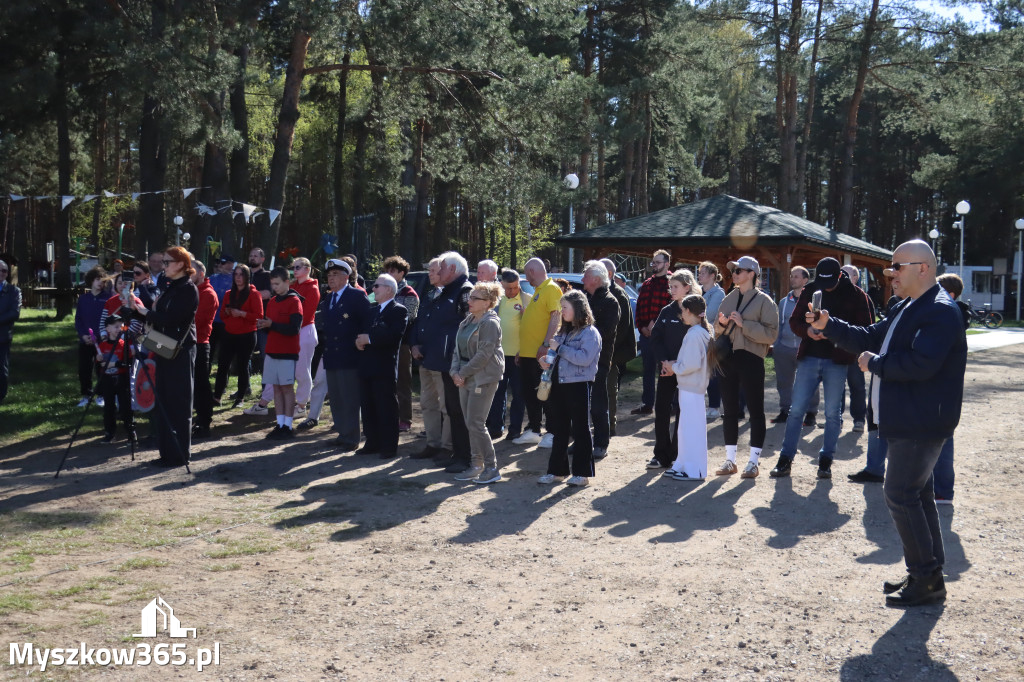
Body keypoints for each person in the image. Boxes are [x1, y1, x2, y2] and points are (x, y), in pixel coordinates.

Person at [808, 240, 967, 607]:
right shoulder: (907, 306)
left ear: (923, 269)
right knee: (917, 494)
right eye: (889, 267)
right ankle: (927, 574)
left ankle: (926, 578)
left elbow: (921, 365)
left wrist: (874, 364)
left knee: (900, 494)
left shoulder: (940, 311)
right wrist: (829, 325)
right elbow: (870, 337)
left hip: (922, 421)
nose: (889, 273)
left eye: (897, 266)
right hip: (908, 419)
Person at [770, 258, 872, 479]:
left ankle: (826, 461)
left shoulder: (856, 295)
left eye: (830, 282)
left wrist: (835, 333)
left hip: (838, 360)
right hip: (810, 357)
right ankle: (785, 459)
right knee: (796, 410)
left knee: (832, 413)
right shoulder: (810, 290)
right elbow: (794, 321)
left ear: (839, 276)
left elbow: (865, 329)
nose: (825, 287)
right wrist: (807, 331)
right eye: (821, 281)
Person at [128, 247, 199, 467]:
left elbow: (172, 319)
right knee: (164, 401)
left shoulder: (188, 289)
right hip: (163, 346)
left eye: (167, 262)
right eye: (163, 262)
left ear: (180, 264)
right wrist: (136, 309)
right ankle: (166, 453)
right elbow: (159, 317)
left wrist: (145, 312)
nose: (163, 265)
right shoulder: (169, 287)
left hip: (181, 350)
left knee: (179, 402)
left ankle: (179, 455)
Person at [712, 256, 779, 479]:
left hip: (751, 358)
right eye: (734, 270)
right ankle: (730, 460)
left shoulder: (765, 301)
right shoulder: (729, 297)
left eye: (739, 270)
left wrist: (744, 324)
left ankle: (753, 462)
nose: (735, 274)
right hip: (728, 358)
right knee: (729, 410)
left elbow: (771, 334)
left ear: (752, 274)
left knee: (755, 411)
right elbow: (717, 328)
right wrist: (721, 325)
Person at [538, 289, 601, 487]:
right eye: (562, 307)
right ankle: (556, 471)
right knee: (559, 429)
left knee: (581, 429)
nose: (562, 311)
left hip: (578, 385)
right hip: (559, 384)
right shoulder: (563, 332)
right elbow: (555, 354)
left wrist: (560, 349)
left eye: (565, 307)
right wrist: (545, 361)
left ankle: (582, 474)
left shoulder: (590, 333)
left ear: (578, 308)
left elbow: (584, 359)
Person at [420, 252, 475, 473]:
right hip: (446, 362)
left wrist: (462, 362)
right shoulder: (447, 291)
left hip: (459, 363)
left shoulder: (465, 291)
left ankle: (466, 457)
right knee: (453, 410)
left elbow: (470, 328)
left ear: (452, 270)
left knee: (461, 411)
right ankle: (457, 454)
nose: (438, 272)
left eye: (441, 268)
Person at [450, 281, 504, 483]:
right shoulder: (468, 320)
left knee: (476, 423)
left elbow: (484, 355)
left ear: (488, 303)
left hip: (483, 377)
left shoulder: (490, 323)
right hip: (465, 376)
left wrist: (461, 373)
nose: (469, 301)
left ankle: (491, 468)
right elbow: (457, 349)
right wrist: (454, 371)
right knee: (470, 423)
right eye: (470, 297)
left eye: (475, 298)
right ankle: (476, 465)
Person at [648, 269, 701, 469]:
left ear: (687, 287)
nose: (671, 290)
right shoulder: (667, 310)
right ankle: (660, 454)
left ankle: (678, 454)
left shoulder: (695, 311)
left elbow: (698, 342)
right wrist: (665, 362)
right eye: (670, 286)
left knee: (683, 411)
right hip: (666, 369)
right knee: (661, 409)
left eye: (675, 287)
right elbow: (656, 338)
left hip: (686, 371)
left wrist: (678, 366)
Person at [661, 295, 716, 481]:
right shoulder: (697, 331)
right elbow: (691, 361)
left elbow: (690, 365)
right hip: (690, 387)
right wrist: (677, 364)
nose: (681, 314)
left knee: (691, 431)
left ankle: (694, 470)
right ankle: (682, 464)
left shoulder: (694, 334)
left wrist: (673, 367)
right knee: (684, 430)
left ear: (690, 312)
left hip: (692, 388)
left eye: (683, 310)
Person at [354, 274, 409, 459]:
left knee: (386, 407)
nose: (373, 289)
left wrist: (368, 339)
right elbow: (362, 333)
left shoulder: (398, 310)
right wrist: (359, 342)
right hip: (366, 366)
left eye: (377, 286)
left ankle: (388, 446)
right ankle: (372, 442)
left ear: (389, 289)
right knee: (368, 406)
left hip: (384, 367)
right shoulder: (371, 311)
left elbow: (394, 336)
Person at [319, 259, 370, 450]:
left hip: (350, 355)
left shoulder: (356, 296)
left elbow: (366, 322)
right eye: (329, 275)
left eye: (335, 275)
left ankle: (351, 437)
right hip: (332, 354)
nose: (331, 279)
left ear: (346, 277)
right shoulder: (328, 299)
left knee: (350, 398)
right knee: (336, 398)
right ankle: (342, 433)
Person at [513, 258, 563, 447]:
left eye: (527, 273)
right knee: (530, 393)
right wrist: (521, 350)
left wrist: (546, 343)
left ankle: (552, 432)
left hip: (541, 355)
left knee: (545, 392)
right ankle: (534, 429)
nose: (527, 278)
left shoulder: (551, 288)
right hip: (527, 354)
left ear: (533, 271)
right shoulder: (537, 292)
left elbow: (555, 317)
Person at [932, 273, 971, 504]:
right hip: (940, 387)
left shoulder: (951, 318)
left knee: (943, 439)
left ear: (951, 294)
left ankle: (944, 491)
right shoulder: (952, 315)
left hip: (944, 388)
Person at [409, 258, 452, 460]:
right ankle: (432, 444)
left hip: (441, 360)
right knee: (427, 403)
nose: (430, 274)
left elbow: (448, 329)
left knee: (446, 406)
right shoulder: (428, 294)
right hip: (424, 358)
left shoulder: (453, 295)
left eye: (434, 270)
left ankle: (447, 446)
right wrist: (414, 344)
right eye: (430, 270)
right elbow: (418, 323)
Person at [257, 266, 304, 440]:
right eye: (272, 284)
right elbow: (271, 327)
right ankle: (279, 423)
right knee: (276, 388)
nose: (274, 288)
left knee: (286, 388)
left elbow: (294, 328)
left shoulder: (294, 301)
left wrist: (272, 325)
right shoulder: (273, 302)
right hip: (272, 351)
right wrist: (264, 326)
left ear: (287, 282)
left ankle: (289, 425)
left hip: (287, 352)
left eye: (277, 284)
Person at [771, 266, 820, 426]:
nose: (793, 279)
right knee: (784, 382)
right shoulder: (784, 302)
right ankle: (785, 411)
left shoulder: (812, 303)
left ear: (805, 280)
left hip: (805, 349)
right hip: (783, 348)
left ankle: (811, 413)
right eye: (791, 276)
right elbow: (779, 324)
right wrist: (777, 345)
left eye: (797, 277)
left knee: (809, 381)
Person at [582, 260, 619, 460]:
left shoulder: (610, 302)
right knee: (580, 405)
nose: (582, 279)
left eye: (586, 275)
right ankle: (582, 442)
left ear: (596, 279)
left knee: (598, 405)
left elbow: (605, 332)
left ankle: (601, 443)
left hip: (599, 362)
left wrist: (584, 335)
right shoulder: (585, 298)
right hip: (579, 360)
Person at [486, 269, 529, 441]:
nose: (512, 291)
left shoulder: (526, 300)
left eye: (515, 287)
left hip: (519, 355)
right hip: (498, 355)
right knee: (496, 392)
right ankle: (496, 427)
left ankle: (515, 429)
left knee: (518, 394)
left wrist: (523, 349)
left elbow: (529, 329)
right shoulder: (497, 300)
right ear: (502, 285)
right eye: (508, 288)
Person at [214, 264, 264, 408]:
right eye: (236, 274)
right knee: (223, 365)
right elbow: (222, 314)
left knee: (243, 366)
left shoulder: (254, 294)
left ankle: (240, 398)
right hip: (229, 333)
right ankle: (217, 396)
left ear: (247, 277)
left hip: (246, 335)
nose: (238, 278)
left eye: (241, 275)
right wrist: (230, 313)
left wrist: (242, 314)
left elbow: (259, 316)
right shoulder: (229, 293)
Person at [633, 250, 673, 415]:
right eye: (653, 262)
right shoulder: (647, 284)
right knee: (647, 370)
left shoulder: (672, 283)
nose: (654, 265)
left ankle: (668, 405)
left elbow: (672, 309)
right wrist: (642, 327)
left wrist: (655, 326)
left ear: (666, 264)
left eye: (657, 262)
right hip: (646, 335)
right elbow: (639, 309)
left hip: (664, 336)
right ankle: (647, 404)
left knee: (666, 370)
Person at [600, 259, 636, 437]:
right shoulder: (597, 292)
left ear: (608, 274)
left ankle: (609, 426)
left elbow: (622, 327)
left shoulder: (618, 295)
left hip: (611, 352)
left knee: (609, 389)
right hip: (597, 352)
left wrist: (608, 350)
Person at [384, 256, 420, 432]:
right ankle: (388, 417)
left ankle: (405, 419)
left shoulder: (409, 293)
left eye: (393, 271)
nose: (389, 274)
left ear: (401, 273)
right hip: (384, 344)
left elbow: (408, 318)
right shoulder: (382, 289)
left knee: (403, 382)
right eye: (387, 270)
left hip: (403, 344)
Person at [74, 266, 112, 407]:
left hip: (101, 340)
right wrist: (83, 335)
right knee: (84, 368)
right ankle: (86, 394)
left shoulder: (108, 298)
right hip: (86, 340)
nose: (100, 283)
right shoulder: (83, 299)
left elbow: (109, 320)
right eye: (97, 280)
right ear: (91, 281)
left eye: (103, 280)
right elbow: (78, 320)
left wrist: (101, 335)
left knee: (101, 368)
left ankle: (101, 395)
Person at [95, 313, 135, 443]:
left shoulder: (123, 345)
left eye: (121, 326)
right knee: (109, 408)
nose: (119, 328)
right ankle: (110, 433)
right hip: (107, 380)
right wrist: (98, 360)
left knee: (125, 406)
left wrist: (115, 364)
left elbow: (128, 363)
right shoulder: (102, 346)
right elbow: (99, 365)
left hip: (122, 378)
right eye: (116, 326)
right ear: (108, 328)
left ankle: (130, 432)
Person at [191, 261, 219, 439]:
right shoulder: (193, 291)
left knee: (201, 384)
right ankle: (198, 418)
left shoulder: (208, 294)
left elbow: (196, 321)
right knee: (194, 385)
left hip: (200, 343)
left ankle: (204, 421)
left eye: (191, 271)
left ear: (201, 274)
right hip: (189, 344)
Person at [841, 264, 871, 431]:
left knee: (857, 386)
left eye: (846, 274)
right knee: (836, 386)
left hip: (854, 351)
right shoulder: (832, 297)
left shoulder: (863, 297)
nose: (842, 277)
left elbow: (869, 326)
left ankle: (859, 419)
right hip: (836, 351)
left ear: (855, 278)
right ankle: (835, 418)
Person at [698, 261, 726, 419]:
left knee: (712, 373)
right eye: (700, 272)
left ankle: (714, 406)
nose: (699, 275)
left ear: (712, 276)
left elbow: (709, 314)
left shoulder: (719, 293)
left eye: (703, 272)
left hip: (712, 339)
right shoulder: (698, 292)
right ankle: (703, 404)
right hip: (698, 338)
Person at [248, 247, 272, 372]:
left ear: (262, 259)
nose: (252, 257)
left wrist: (248, 295)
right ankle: (245, 387)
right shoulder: (245, 274)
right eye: (251, 255)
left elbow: (267, 294)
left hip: (262, 322)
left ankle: (266, 388)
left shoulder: (267, 275)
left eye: (255, 256)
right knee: (245, 354)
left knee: (265, 354)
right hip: (246, 319)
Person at [0, 259, 20, 406]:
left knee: (1, 370)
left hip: (2, 336)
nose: (1, 273)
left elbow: (14, 313)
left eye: (4, 271)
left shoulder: (14, 291)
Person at [207, 255, 234, 363]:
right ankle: (205, 376)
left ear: (231, 264)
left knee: (225, 351)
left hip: (226, 320)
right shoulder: (212, 278)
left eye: (223, 263)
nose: (220, 266)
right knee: (210, 349)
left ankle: (223, 377)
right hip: (212, 319)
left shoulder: (236, 279)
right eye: (219, 263)